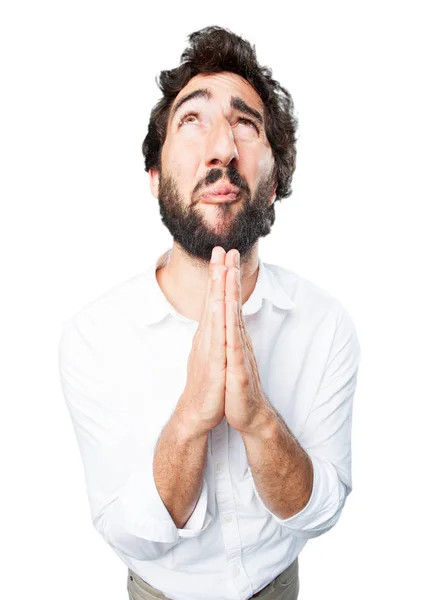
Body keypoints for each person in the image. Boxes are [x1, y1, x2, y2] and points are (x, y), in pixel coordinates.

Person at [58, 25, 362, 600]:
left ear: (274, 185)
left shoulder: (326, 326)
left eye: (245, 124)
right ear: (154, 177)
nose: (222, 147)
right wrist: (192, 416)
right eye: (191, 121)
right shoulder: (91, 340)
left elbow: (321, 512)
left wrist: (258, 420)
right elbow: (128, 534)